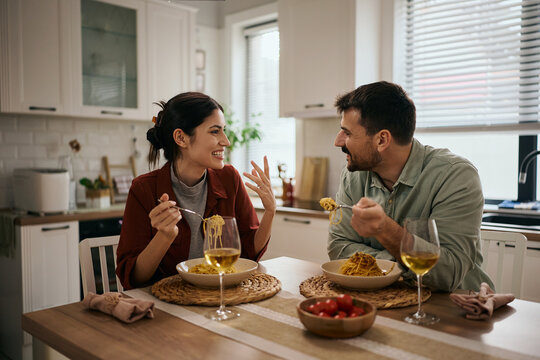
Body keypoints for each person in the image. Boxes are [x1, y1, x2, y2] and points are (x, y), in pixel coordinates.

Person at [328, 81, 493, 292]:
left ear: (382, 140)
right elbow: (338, 246)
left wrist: (385, 229)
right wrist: (396, 266)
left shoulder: (455, 176)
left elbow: (448, 274)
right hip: (386, 299)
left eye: (347, 133)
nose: (338, 141)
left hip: (455, 309)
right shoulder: (353, 175)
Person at [116, 92, 276, 289]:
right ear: (181, 138)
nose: (226, 141)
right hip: (167, 306)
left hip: (220, 296)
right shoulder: (144, 189)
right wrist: (164, 236)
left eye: (223, 130)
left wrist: (270, 212)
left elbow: (249, 252)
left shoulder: (229, 178)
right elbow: (134, 278)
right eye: (215, 131)